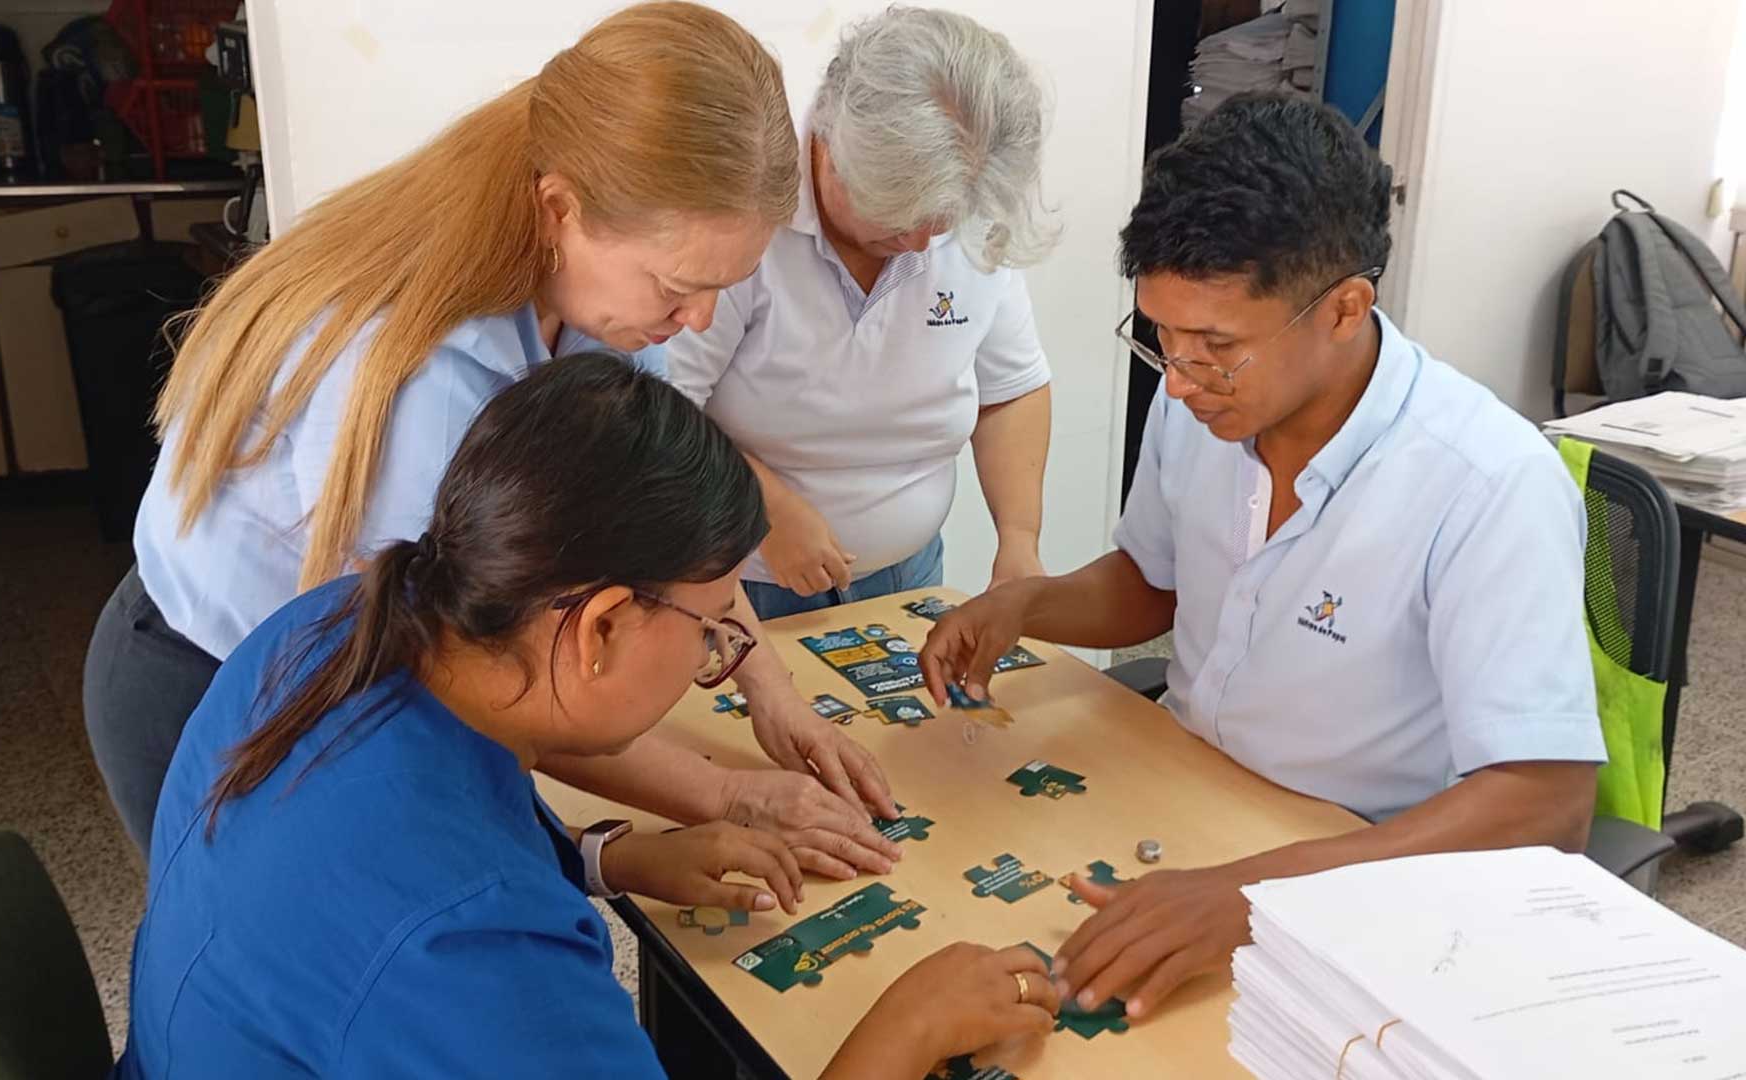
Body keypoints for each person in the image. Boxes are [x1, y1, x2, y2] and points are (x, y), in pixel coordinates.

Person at [84, 2, 901, 873]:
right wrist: (725, 793)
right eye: (677, 287)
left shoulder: (597, 303)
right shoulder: (421, 384)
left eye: (721, 289)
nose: (697, 319)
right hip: (207, 682)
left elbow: (673, 524)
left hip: (357, 675)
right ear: (562, 208)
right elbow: (481, 683)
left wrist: (776, 696)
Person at [117, 355, 1061, 1077]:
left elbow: (417, 839)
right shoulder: (479, 949)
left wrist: (610, 859)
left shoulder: (324, 629)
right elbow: (436, 910)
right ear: (602, 626)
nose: (715, 661)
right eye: (711, 632)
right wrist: (906, 1031)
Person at [917, 94, 1604, 1022]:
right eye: (1160, 333)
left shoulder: (1489, 483)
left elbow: (1545, 803)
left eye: (1217, 347)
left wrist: (1249, 897)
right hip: (1194, 806)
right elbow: (1153, 584)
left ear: (1345, 309)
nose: (1183, 374)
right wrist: (1025, 605)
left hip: (1366, 865)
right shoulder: (1203, 403)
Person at [667, 6, 1056, 620]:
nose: (923, 244)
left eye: (943, 219)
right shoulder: (746, 216)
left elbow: (1011, 390)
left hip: (909, 573)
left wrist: (1020, 542)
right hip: (742, 578)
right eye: (899, 215)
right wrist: (762, 510)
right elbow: (660, 408)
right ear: (829, 147)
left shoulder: (968, 209)